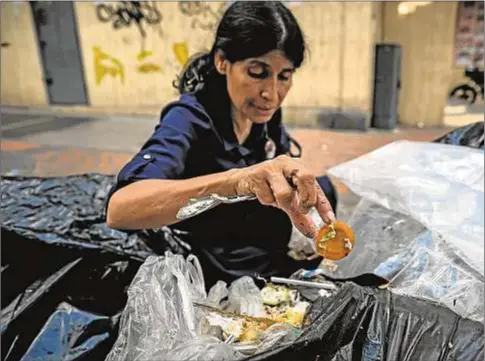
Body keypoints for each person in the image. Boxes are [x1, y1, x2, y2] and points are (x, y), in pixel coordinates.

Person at [106, 1, 338, 287]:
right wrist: (236, 182)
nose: (272, 93)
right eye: (257, 72)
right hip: (206, 250)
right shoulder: (188, 118)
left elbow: (278, 161)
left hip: (246, 235)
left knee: (321, 188)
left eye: (285, 76)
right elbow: (120, 209)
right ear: (222, 62)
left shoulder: (264, 114)